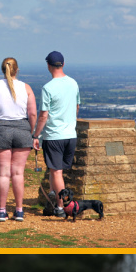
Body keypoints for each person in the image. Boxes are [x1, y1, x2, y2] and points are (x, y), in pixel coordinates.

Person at [0, 57, 38, 222]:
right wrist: (31, 132)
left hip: (0, 128)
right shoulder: (26, 87)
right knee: (18, 173)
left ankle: (2, 211)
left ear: (3, 69)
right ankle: (19, 210)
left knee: (3, 173)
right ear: (17, 70)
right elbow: (33, 113)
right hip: (22, 129)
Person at [33, 51, 80, 217]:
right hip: (70, 135)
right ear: (63, 64)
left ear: (48, 66)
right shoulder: (73, 83)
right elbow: (76, 108)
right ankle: (51, 204)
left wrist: (35, 135)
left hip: (54, 136)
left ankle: (61, 208)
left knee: (56, 172)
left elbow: (43, 115)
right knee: (57, 171)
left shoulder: (48, 88)